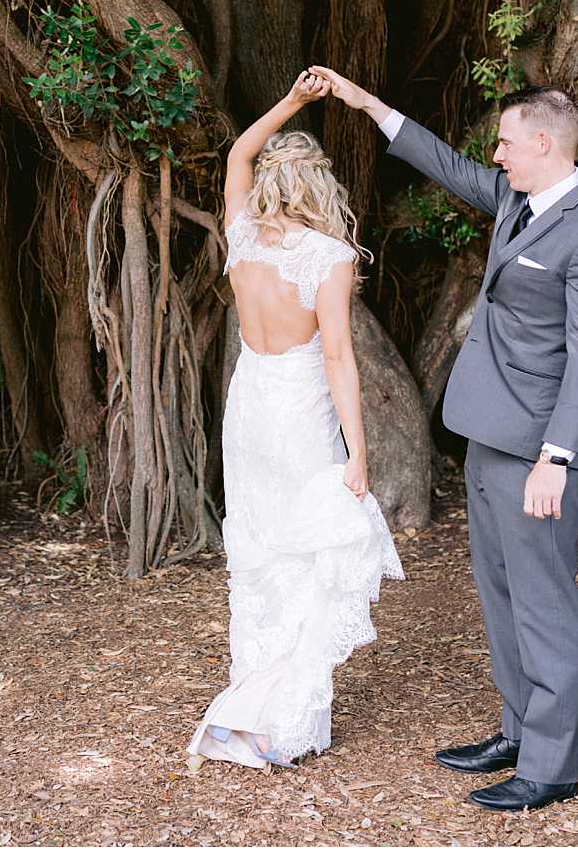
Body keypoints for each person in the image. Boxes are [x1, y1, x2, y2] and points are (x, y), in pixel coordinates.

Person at [311, 65, 578, 813]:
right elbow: (449, 167)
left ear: (544, 143)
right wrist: (367, 102)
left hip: (537, 450)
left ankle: (551, 765)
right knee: (499, 591)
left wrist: (558, 457)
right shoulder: (518, 200)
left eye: (506, 143)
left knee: (545, 600)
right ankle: (518, 729)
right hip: (488, 434)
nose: (495, 155)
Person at [186, 70, 404, 774]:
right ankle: (279, 720)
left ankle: (253, 701)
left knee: (259, 555)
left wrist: (290, 101)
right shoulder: (329, 258)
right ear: (320, 191)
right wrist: (358, 454)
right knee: (310, 556)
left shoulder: (242, 237)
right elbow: (338, 357)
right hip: (301, 410)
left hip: (249, 408)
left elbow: (234, 158)